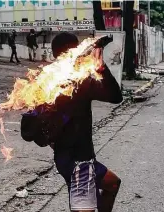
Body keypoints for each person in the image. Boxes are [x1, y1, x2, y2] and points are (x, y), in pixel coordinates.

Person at [22, 32, 123, 212]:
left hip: (67, 158)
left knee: (112, 184)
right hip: (79, 164)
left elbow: (30, 129)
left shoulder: (48, 81)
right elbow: (116, 97)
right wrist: (101, 68)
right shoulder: (80, 82)